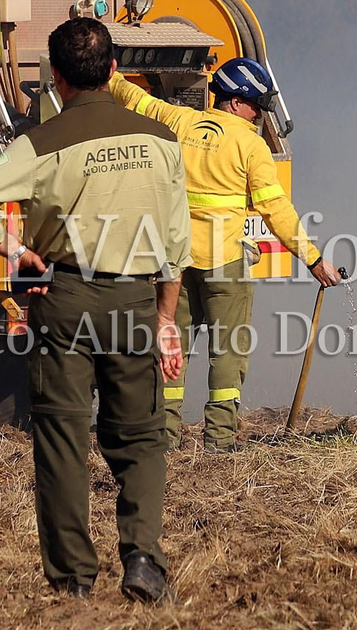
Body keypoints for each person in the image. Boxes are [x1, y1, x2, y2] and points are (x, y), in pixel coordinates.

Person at [0, 18, 190, 602]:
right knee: (140, 437)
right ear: (115, 70)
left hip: (63, 299)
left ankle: (73, 581)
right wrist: (165, 320)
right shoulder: (162, 140)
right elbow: (176, 242)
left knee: (63, 438)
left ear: (56, 79)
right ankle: (142, 558)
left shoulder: (41, 143)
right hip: (135, 300)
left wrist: (19, 252)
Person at [108, 56, 337, 451]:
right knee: (228, 350)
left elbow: (136, 100)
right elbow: (276, 210)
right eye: (255, 107)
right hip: (224, 263)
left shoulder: (180, 122)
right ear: (234, 101)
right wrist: (314, 260)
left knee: (170, 343)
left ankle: (164, 436)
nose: (258, 116)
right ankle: (220, 438)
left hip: (173, 263)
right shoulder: (251, 145)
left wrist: (106, 73)